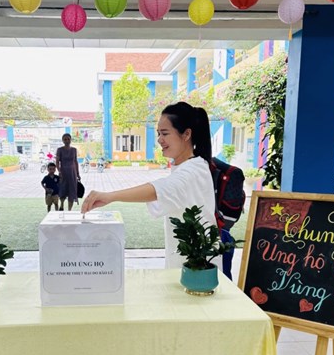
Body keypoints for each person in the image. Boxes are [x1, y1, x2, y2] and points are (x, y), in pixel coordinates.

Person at [81, 102, 215, 268]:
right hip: (186, 262)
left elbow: (159, 189)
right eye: (158, 133)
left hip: (200, 269)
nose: (159, 140)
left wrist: (110, 196)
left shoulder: (194, 170)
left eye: (165, 133)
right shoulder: (187, 166)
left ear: (186, 134)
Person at [56, 133, 80, 211]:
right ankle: (62, 205)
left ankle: (70, 210)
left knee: (72, 191)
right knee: (63, 189)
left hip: (72, 173)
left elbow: (75, 162)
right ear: (62, 140)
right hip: (63, 172)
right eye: (65, 139)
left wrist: (78, 173)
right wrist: (59, 171)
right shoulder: (59, 150)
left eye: (68, 139)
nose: (67, 141)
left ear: (70, 140)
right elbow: (57, 162)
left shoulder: (74, 150)